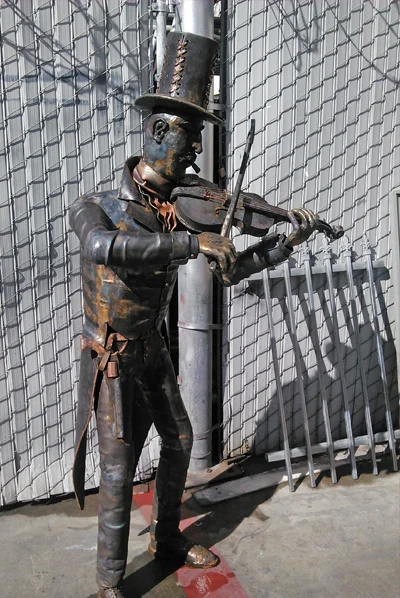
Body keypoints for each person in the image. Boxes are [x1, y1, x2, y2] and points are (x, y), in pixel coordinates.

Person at [70, 31, 319, 598]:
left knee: (180, 438)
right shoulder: (97, 206)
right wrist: (189, 245)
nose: (194, 156)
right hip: (112, 355)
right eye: (188, 139)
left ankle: (167, 539)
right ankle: (109, 582)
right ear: (159, 131)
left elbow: (231, 269)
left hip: (152, 348)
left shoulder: (181, 208)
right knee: (118, 467)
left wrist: (282, 243)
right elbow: (103, 248)